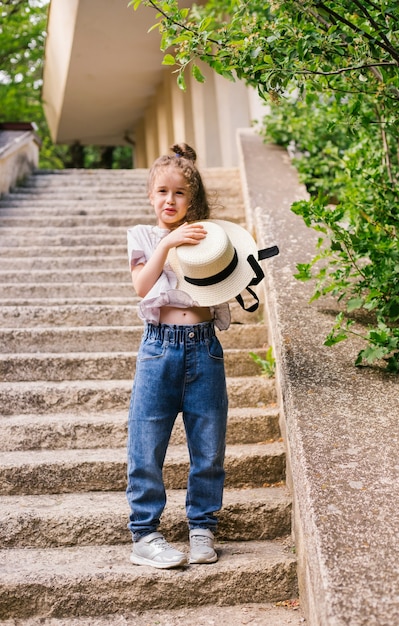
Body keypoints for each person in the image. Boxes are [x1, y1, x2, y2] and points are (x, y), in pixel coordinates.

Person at [126, 142, 277, 570]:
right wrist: (169, 242)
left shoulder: (210, 238)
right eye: (162, 191)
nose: (169, 200)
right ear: (150, 195)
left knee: (208, 444)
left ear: (192, 199)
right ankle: (145, 533)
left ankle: (202, 527)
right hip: (159, 347)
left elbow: (230, 282)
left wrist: (217, 251)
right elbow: (142, 286)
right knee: (146, 442)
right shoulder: (144, 236)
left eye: (179, 193)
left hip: (204, 347)